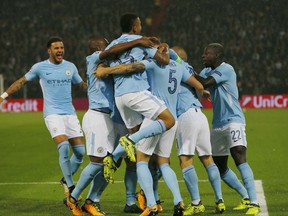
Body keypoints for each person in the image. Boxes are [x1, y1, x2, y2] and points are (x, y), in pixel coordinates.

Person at [95, 43, 208, 216]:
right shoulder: (179, 67)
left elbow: (130, 67)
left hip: (156, 117)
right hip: (173, 120)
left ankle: (152, 205)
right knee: (164, 163)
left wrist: (106, 71)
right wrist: (202, 93)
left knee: (142, 160)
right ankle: (179, 203)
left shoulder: (153, 64)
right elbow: (199, 86)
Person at [64, 35, 156, 216]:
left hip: (111, 118)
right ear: (99, 47)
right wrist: (138, 42)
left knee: (111, 162)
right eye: (107, 45)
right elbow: (112, 54)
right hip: (97, 116)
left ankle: (92, 201)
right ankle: (73, 198)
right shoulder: (94, 59)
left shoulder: (108, 63)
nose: (111, 47)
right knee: (97, 163)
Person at [0, 36, 87, 200]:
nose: (60, 50)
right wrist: (3, 96)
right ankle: (71, 186)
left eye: (61, 47)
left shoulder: (71, 66)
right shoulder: (40, 67)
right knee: (63, 148)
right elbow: (21, 82)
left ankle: (64, 180)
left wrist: (97, 89)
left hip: (70, 113)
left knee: (80, 153)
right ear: (49, 50)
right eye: (56, 48)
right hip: (52, 113)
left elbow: (81, 84)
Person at [102, 13, 174, 184]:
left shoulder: (113, 44)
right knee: (169, 120)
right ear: (135, 26)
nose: (140, 26)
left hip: (120, 97)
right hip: (136, 91)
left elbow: (105, 55)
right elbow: (164, 61)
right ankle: (128, 141)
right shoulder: (143, 41)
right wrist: (163, 47)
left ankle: (112, 158)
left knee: (137, 136)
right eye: (139, 23)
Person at [195, 43, 261, 215]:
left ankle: (254, 202)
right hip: (217, 124)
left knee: (239, 155)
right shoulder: (206, 71)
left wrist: (182, 66)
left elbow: (204, 83)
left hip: (234, 120)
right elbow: (196, 82)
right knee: (220, 166)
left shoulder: (227, 69)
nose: (203, 56)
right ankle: (246, 196)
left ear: (217, 56)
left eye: (207, 53)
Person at [171, 46, 225, 215]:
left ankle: (196, 203)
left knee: (185, 160)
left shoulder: (173, 67)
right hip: (200, 114)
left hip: (185, 116)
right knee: (208, 159)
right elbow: (199, 87)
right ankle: (219, 200)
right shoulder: (190, 69)